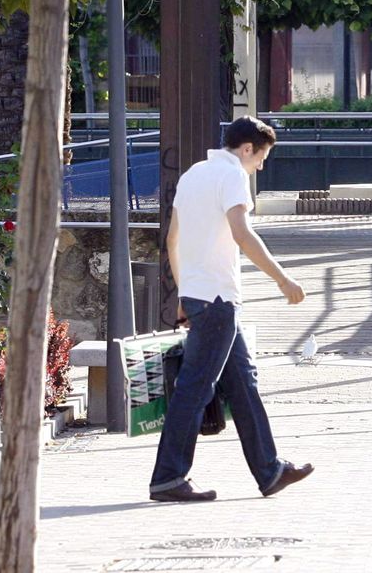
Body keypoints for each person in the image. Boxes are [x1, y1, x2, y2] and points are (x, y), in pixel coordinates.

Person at [149, 115, 314, 503]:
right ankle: (168, 478)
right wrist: (282, 279)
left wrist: (184, 293)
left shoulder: (193, 175)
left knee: (243, 384)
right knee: (194, 388)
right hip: (218, 299)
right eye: (261, 158)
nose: (261, 166)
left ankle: (270, 471)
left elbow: (172, 239)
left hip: (201, 296)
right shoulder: (233, 175)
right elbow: (242, 233)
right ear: (247, 149)